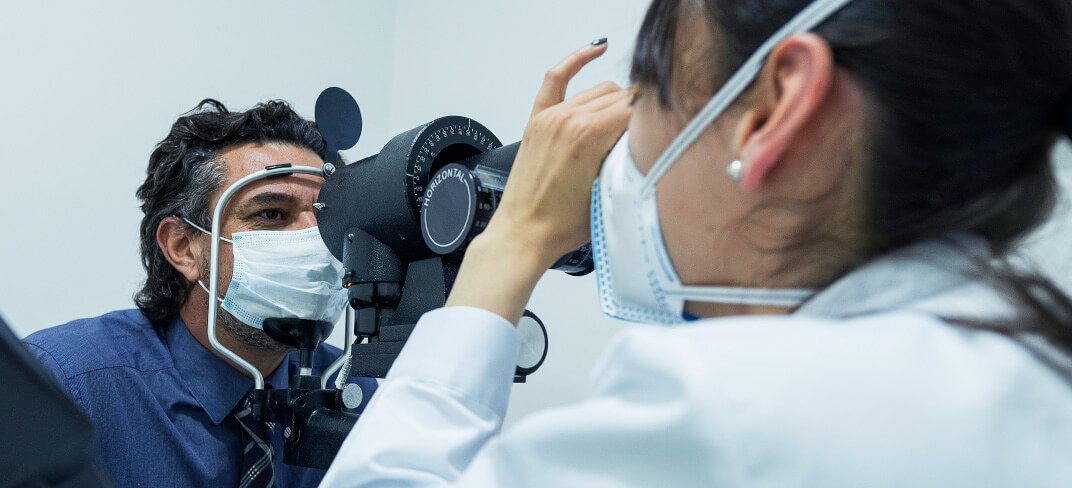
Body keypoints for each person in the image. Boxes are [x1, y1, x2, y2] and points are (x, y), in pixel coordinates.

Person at [320, 0, 1072, 486]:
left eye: (642, 96)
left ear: (774, 107)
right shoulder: (1032, 366)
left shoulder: (730, 409)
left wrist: (511, 239)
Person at [23, 99, 377, 487]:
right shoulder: (64, 384)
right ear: (183, 247)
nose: (315, 243)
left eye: (326, 218)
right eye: (272, 214)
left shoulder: (356, 393)